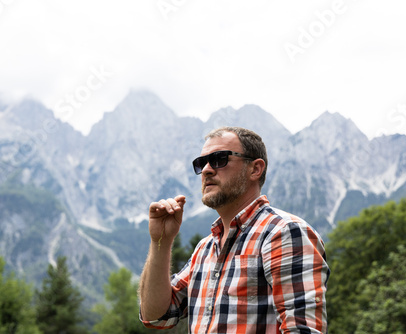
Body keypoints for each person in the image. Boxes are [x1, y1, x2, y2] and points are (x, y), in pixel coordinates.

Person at [139, 126, 329, 333]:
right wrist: (161, 241)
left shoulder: (284, 233)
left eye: (220, 159)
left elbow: (303, 330)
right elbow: (156, 316)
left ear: (255, 169)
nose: (207, 169)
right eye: (201, 163)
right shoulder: (204, 249)